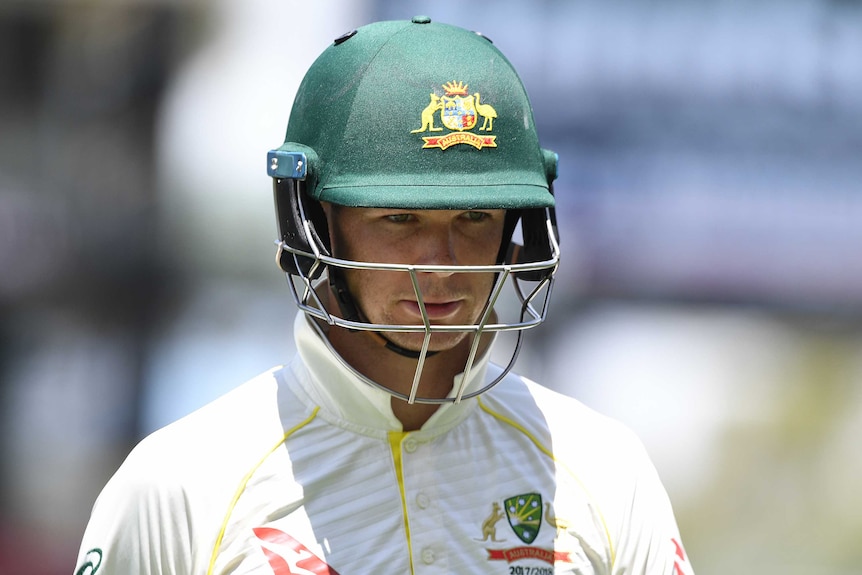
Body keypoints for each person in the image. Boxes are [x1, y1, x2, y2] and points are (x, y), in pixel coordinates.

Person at [75, 16, 695, 575]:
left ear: (518, 229)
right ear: (313, 223)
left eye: (475, 218)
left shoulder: (605, 471)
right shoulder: (182, 484)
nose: (442, 265)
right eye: (400, 220)